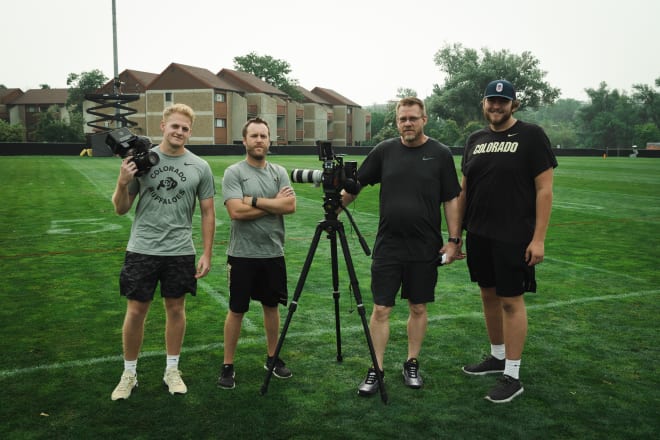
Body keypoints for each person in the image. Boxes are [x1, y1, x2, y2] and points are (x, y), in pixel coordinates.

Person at [341, 97, 462, 396]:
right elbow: (357, 183)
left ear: (424, 119)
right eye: (402, 119)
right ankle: (376, 368)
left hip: (425, 247)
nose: (407, 123)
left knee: (418, 306)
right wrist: (335, 204)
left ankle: (411, 362)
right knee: (381, 308)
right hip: (389, 245)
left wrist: (454, 241)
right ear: (396, 122)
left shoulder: (441, 154)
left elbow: (451, 199)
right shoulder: (384, 151)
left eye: (412, 118)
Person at [459, 79, 557, 403]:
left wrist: (538, 239)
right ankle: (497, 356)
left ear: (514, 104)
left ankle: (512, 375)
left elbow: (544, 190)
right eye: (492, 100)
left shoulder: (532, 136)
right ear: (483, 104)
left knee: (511, 301)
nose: (497, 106)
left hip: (514, 234)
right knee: (488, 295)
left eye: (503, 101)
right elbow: (465, 190)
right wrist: (456, 236)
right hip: (479, 233)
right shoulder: (475, 139)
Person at [110, 103, 216, 400]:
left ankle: (172, 369)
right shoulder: (141, 161)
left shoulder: (200, 166)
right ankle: (129, 373)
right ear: (163, 127)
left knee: (176, 309)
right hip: (142, 248)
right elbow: (121, 209)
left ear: (189, 132)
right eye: (175, 126)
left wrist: (207, 253)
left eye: (185, 128)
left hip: (180, 250)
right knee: (136, 311)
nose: (179, 132)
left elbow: (208, 213)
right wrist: (122, 182)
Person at [217, 117, 296, 390]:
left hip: (273, 253)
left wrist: (254, 201)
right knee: (236, 309)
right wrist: (273, 203)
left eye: (264, 136)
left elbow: (290, 206)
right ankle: (228, 364)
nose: (259, 140)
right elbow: (236, 212)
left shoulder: (279, 173)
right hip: (242, 254)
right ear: (245, 141)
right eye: (254, 136)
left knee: (271, 308)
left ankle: (272, 358)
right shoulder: (234, 173)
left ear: (269, 140)